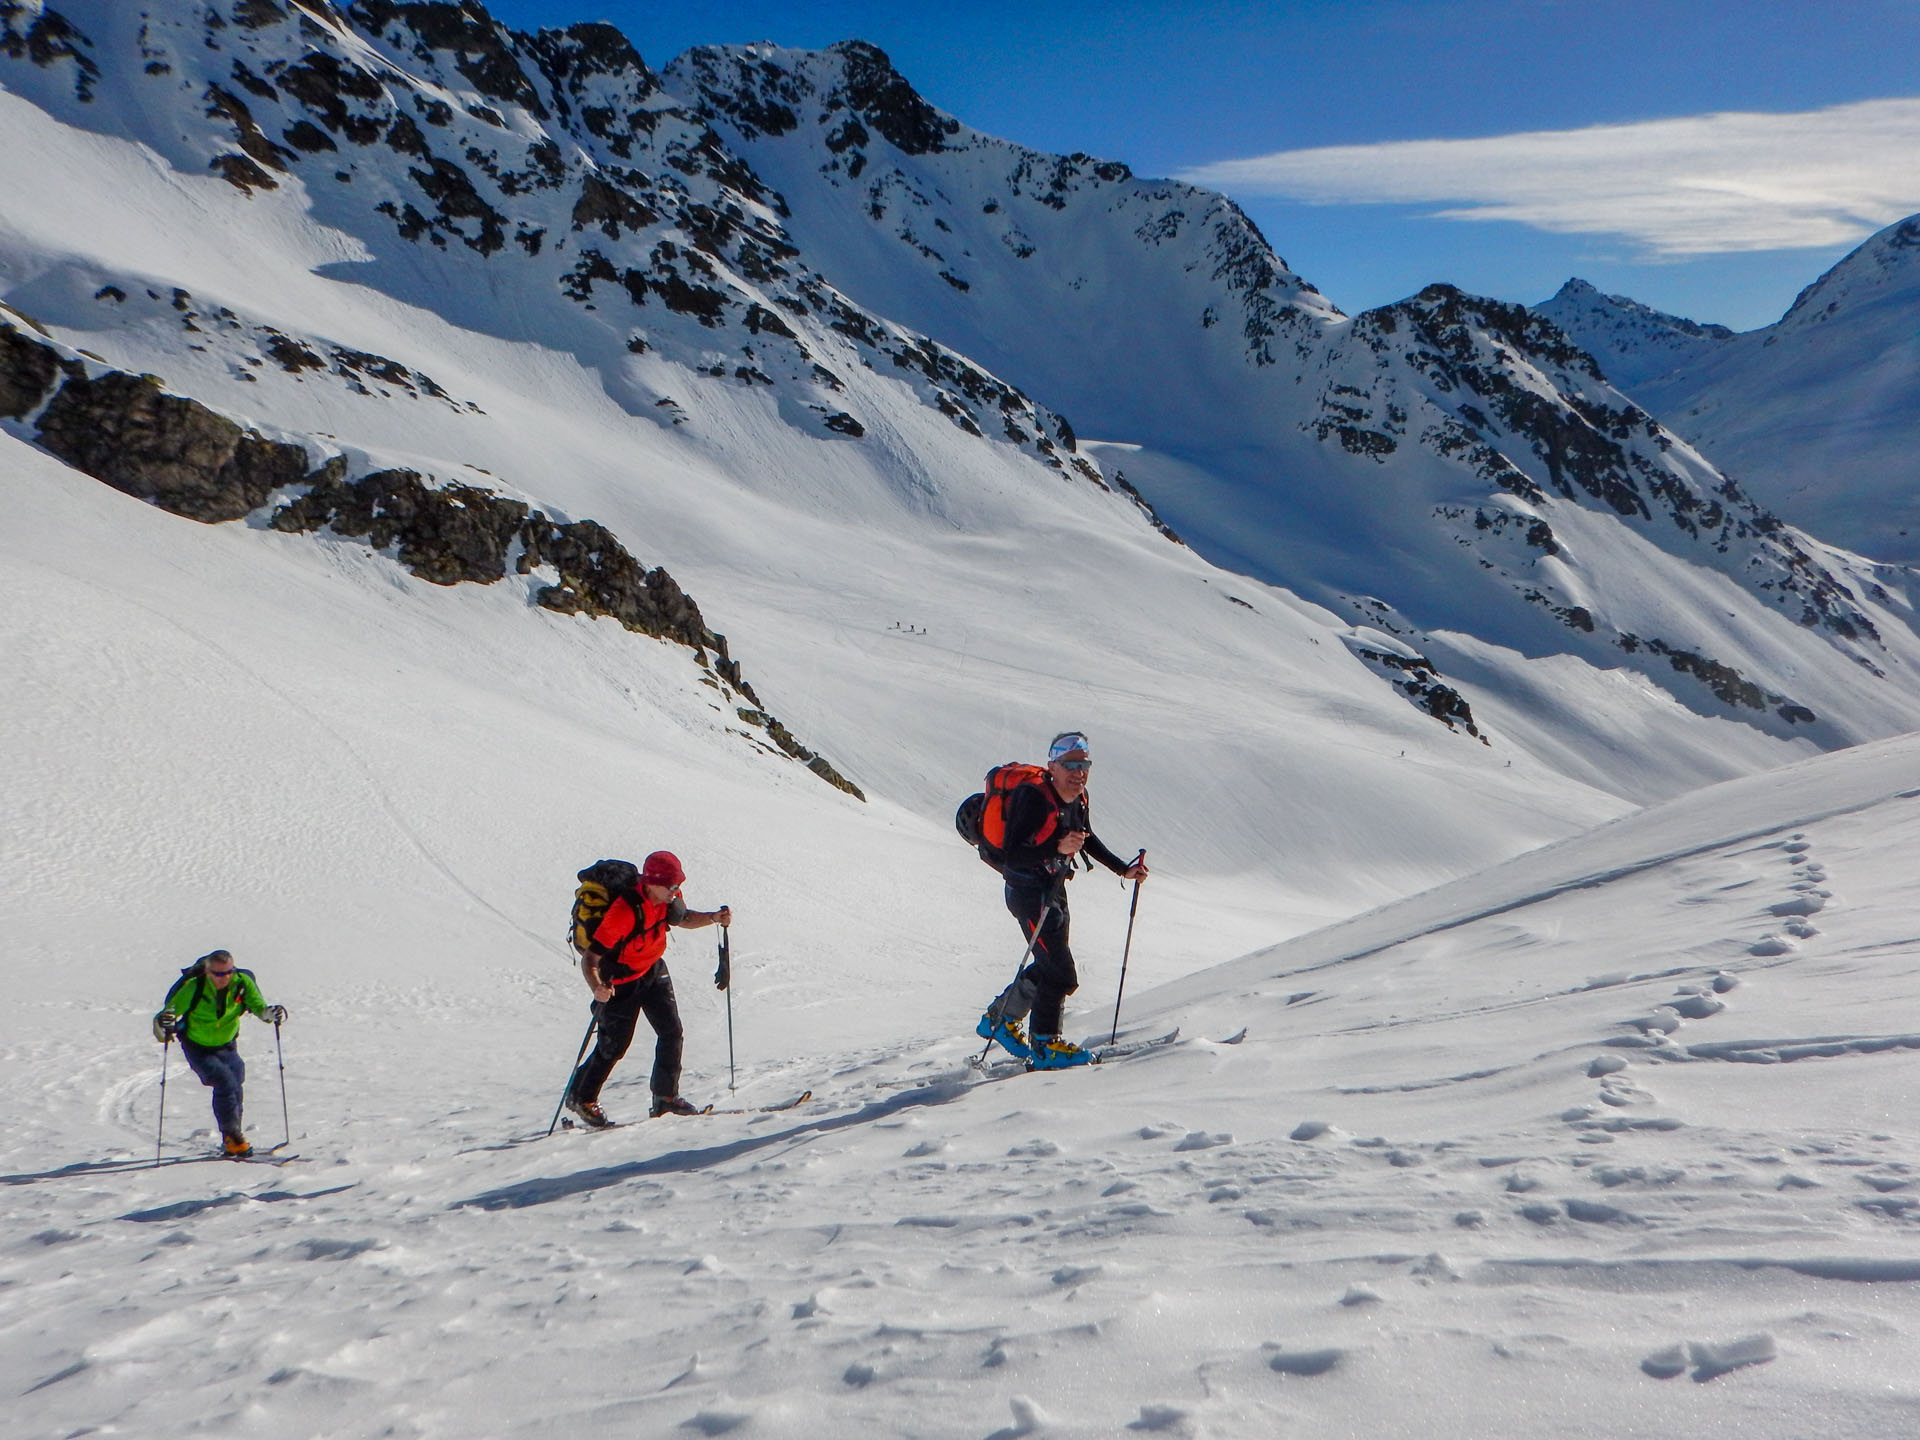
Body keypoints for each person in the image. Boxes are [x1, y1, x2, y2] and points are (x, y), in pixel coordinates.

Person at [976, 731, 1148, 1068]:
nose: (1078, 772)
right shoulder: (1034, 797)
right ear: (1051, 765)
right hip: (1027, 894)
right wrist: (1056, 848)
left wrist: (1121, 870)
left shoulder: (1078, 798)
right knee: (1062, 974)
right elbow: (1013, 856)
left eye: (1084, 765)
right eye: (1070, 764)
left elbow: (1085, 837)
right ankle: (1045, 1046)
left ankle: (1000, 1019)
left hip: (1053, 890)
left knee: (1051, 965)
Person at [566, 850, 731, 1125]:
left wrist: (713, 917)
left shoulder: (667, 900)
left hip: (652, 969)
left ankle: (665, 1099)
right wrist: (597, 987)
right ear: (651, 882)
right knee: (614, 1046)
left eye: (678, 885)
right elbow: (591, 958)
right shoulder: (623, 911)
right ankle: (581, 1096)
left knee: (672, 1032)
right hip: (619, 981)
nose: (676, 890)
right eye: (671, 885)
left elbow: (684, 918)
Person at [152, 949, 286, 1156]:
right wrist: (163, 1025)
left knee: (237, 1079)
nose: (224, 978)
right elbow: (166, 1016)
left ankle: (232, 1136)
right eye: (218, 974)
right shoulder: (193, 988)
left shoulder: (241, 983)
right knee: (225, 1082)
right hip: (197, 1047)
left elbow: (258, 1006)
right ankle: (233, 1136)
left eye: (228, 972)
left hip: (226, 1043)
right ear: (207, 972)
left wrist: (269, 1014)